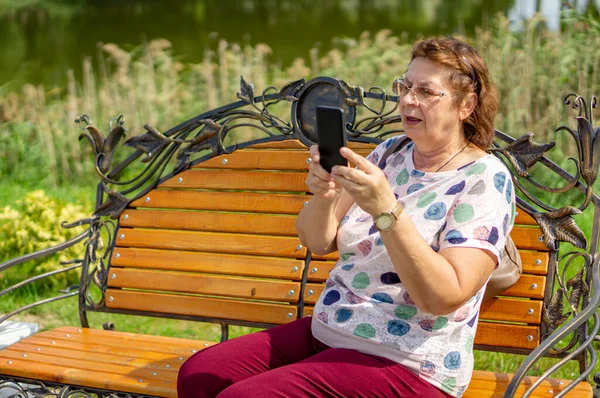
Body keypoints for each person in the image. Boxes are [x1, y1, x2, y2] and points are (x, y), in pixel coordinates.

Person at [177, 36, 515, 398]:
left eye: (426, 92)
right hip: (330, 332)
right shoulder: (390, 153)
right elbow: (316, 240)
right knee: (200, 375)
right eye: (405, 86)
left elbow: (442, 297)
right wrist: (324, 195)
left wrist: (387, 210)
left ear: (466, 105)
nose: (407, 99)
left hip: (409, 364)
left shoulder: (484, 180)